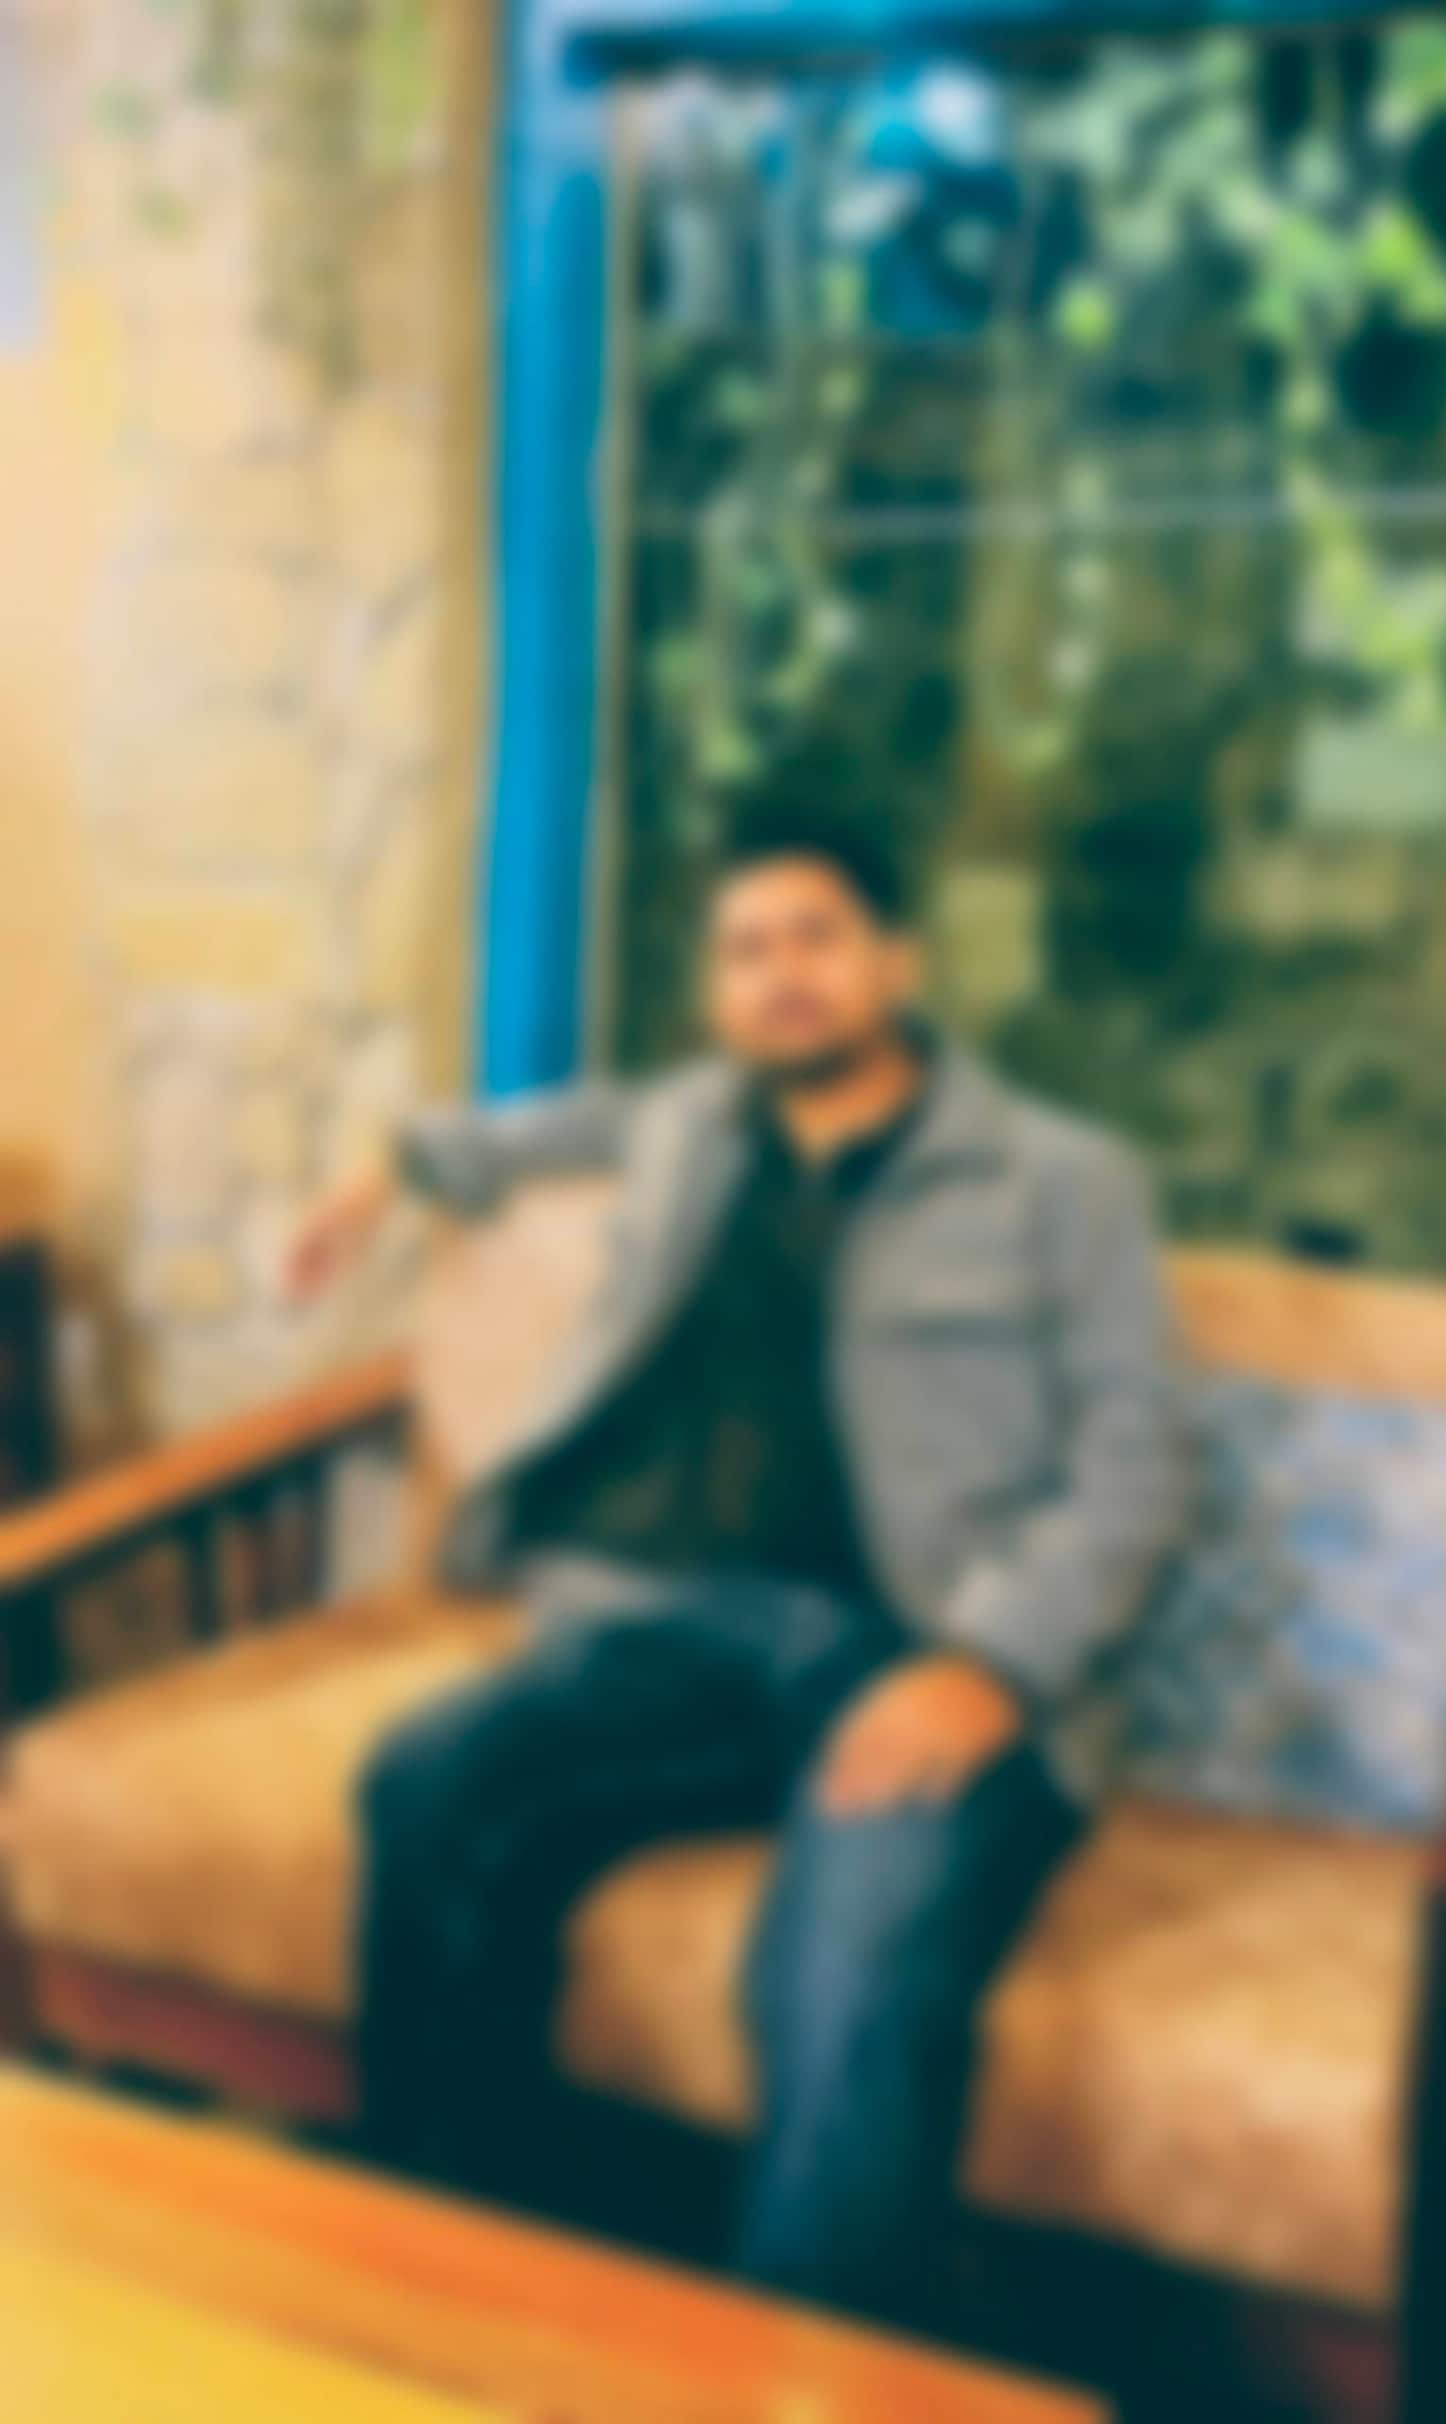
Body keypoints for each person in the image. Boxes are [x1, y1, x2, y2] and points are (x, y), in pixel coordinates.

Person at [289, 795, 1190, 2335]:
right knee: (429, 1782)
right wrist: (391, 1162)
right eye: (746, 950)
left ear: (898, 962)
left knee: (843, 1965)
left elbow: (1142, 1459)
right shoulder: (688, 1125)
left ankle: (807, 2372)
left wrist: (996, 1665)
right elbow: (530, 1133)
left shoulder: (1062, 1180)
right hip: (683, 1635)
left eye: (816, 939)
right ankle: (461, 2289)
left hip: (920, 1649)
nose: (781, 975)